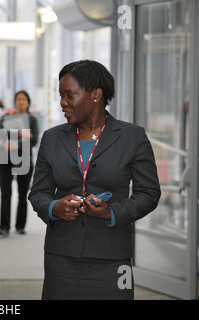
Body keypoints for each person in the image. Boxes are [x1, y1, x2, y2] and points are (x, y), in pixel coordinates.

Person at [28, 60, 161, 300]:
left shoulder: (133, 137)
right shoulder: (52, 138)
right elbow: (37, 193)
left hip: (112, 256)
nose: (63, 103)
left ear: (96, 95)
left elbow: (149, 193)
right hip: (61, 256)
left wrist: (112, 213)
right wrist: (53, 208)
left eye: (70, 95)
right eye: (61, 96)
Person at [0, 90, 38, 237]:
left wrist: (15, 143)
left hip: (23, 160)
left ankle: (20, 225)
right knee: (5, 193)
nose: (21, 102)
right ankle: (4, 226)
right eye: (18, 99)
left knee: (22, 193)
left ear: (28, 103)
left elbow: (33, 139)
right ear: (14, 102)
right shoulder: (6, 117)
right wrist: (21, 134)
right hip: (5, 159)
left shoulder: (32, 120)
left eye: (24, 100)